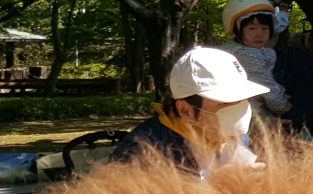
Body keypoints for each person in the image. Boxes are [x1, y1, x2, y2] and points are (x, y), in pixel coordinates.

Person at [110, 47, 272, 174]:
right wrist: (214, 189)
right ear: (185, 110)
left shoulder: (237, 137)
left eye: (241, 100)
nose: (238, 114)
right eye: (223, 103)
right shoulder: (144, 151)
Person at [250, 0, 313, 136]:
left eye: (283, 5)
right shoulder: (226, 58)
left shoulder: (302, 63)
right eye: (269, 3)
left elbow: (301, 120)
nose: (277, 10)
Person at [220, 0, 292, 123]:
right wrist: (282, 104)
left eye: (265, 28)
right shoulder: (247, 54)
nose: (259, 34)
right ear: (236, 29)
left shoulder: (230, 49)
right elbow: (265, 85)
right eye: (252, 28)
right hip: (250, 115)